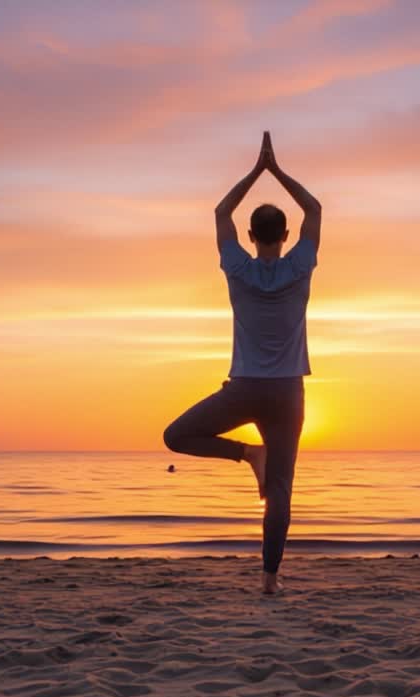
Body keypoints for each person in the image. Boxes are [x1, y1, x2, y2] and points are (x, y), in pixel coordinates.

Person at [163, 131, 321, 595]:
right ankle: (270, 579)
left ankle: (246, 453)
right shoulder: (301, 266)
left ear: (251, 236)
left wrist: (256, 172)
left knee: (176, 436)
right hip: (288, 393)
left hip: (245, 388)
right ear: (286, 236)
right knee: (281, 490)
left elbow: (219, 212)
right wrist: (277, 171)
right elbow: (314, 209)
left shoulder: (237, 266)